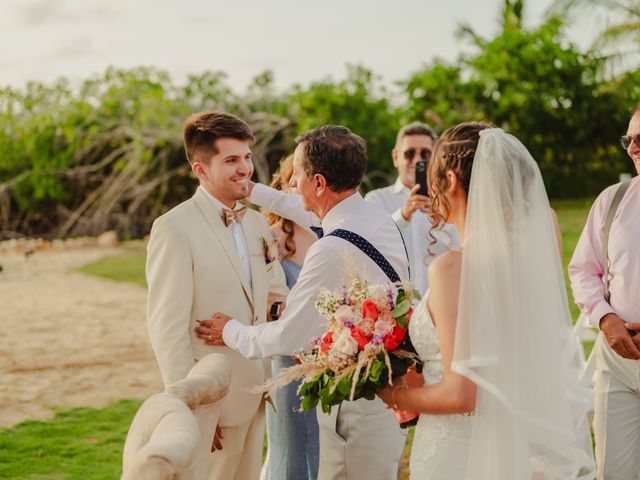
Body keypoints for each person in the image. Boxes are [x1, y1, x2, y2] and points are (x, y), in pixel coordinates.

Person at [378, 123, 594, 478]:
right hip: (517, 444)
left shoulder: (451, 269)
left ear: (449, 181)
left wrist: (394, 394)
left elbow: (461, 395)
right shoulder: (534, 249)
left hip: (457, 455)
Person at [197, 125, 411, 480]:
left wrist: (231, 330)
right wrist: (247, 188)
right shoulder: (372, 216)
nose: (292, 184)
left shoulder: (330, 250)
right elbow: (295, 205)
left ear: (319, 184)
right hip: (385, 399)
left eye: (297, 174)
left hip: (354, 411)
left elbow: (287, 337)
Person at [146, 111, 289, 480]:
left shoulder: (257, 222)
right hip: (212, 403)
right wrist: (191, 406)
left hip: (257, 393)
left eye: (246, 157)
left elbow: (276, 294)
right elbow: (167, 327)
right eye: (231, 160)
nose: (245, 169)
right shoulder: (173, 229)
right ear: (201, 169)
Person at [569, 105, 640, 479]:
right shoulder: (611, 200)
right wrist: (605, 317)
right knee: (612, 470)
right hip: (617, 360)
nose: (632, 148)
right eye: (629, 139)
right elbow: (583, 269)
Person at [263, 155, 319, 480]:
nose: (297, 189)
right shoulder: (270, 239)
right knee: (289, 451)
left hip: (326, 358)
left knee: (316, 447)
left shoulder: (325, 234)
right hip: (288, 359)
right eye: (291, 182)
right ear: (281, 188)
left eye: (303, 181)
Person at [364, 122, 459, 293]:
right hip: (393, 309)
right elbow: (368, 245)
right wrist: (403, 215)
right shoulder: (376, 200)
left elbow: (460, 252)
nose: (417, 160)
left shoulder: (450, 201)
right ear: (395, 157)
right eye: (409, 154)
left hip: (440, 304)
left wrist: (442, 220)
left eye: (425, 154)